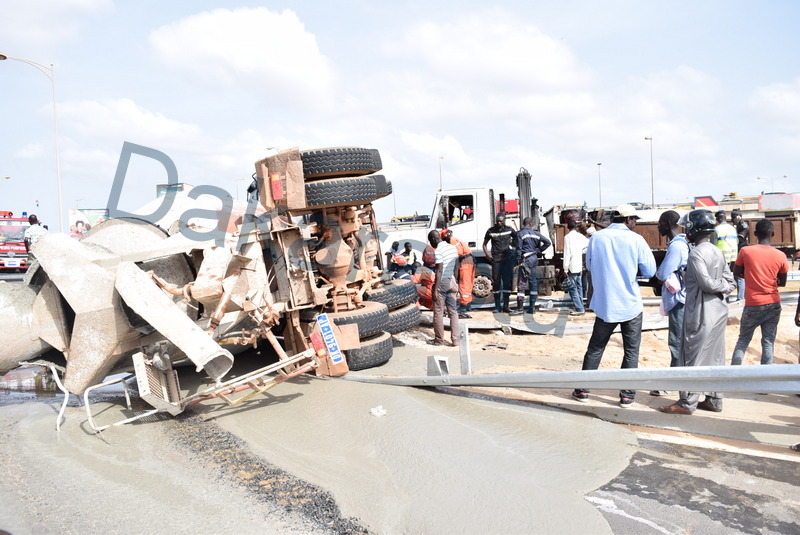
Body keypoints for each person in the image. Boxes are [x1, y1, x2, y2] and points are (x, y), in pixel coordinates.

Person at [571, 205, 656, 407]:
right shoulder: (636, 239)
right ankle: (627, 395)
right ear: (628, 220)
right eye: (634, 219)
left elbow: (590, 266)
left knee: (595, 348)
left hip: (606, 304)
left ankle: (582, 390)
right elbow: (650, 270)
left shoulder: (597, 239)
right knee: (631, 351)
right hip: (630, 304)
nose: (635, 223)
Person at [659, 210, 735, 415]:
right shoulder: (716, 250)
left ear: (693, 229)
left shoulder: (696, 253)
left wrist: (719, 285)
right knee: (716, 355)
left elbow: (707, 284)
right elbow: (730, 282)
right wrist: (724, 287)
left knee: (691, 354)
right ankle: (714, 400)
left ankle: (687, 403)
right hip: (719, 310)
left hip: (700, 311)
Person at [730, 219, 789, 366]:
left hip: (753, 304)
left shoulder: (745, 251)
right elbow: (783, 282)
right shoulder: (780, 255)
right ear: (773, 233)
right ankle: (765, 379)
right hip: (773, 303)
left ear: (755, 234)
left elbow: (736, 272)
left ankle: (734, 376)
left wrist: (751, 276)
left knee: (743, 340)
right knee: (768, 342)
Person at [649, 210, 689, 396]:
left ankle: (673, 383)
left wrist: (658, 275)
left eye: (660, 223)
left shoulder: (676, 247)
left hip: (678, 301)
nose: (658, 227)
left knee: (676, 343)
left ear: (667, 223)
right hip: (685, 299)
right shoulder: (684, 242)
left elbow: (663, 274)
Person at [511, 217, 551, 316]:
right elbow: (548, 242)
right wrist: (538, 250)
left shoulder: (520, 234)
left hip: (525, 260)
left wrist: (517, 261)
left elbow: (519, 249)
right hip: (534, 258)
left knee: (522, 284)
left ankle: (520, 309)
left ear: (523, 224)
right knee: (533, 282)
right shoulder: (536, 233)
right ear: (531, 224)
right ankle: (532, 308)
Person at [428, 230, 459, 346]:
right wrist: (455, 281)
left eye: (431, 242)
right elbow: (456, 267)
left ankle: (439, 340)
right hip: (452, 281)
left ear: (434, 240)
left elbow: (439, 271)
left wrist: (435, 290)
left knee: (438, 312)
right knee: (453, 312)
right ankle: (455, 340)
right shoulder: (452, 248)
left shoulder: (438, 251)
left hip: (442, 283)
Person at [482, 213, 517, 313]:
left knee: (507, 283)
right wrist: (488, 255)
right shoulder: (490, 231)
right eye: (497, 221)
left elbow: (517, 239)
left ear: (504, 220)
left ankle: (506, 306)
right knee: (496, 282)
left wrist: (514, 249)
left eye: (501, 221)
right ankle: (497, 307)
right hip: (496, 260)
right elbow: (484, 244)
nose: (499, 223)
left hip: (507, 259)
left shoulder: (509, 230)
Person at [442, 229, 475, 319]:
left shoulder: (452, 242)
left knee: (464, 284)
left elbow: (455, 258)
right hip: (467, 260)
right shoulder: (455, 240)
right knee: (467, 284)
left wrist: (454, 276)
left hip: (464, 261)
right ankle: (468, 305)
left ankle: (463, 306)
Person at [562, 219, 588, 316]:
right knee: (579, 287)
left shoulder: (567, 237)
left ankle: (579, 308)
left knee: (572, 288)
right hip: (579, 264)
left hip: (572, 265)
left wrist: (565, 268)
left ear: (568, 227)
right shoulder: (580, 236)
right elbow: (587, 244)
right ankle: (580, 306)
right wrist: (581, 251)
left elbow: (567, 254)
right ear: (576, 227)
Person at [732, 209, 750, 301]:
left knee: (740, 276)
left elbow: (740, 240)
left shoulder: (743, 226)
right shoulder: (738, 225)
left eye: (733, 217)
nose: (732, 219)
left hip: (742, 251)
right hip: (739, 251)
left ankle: (741, 297)